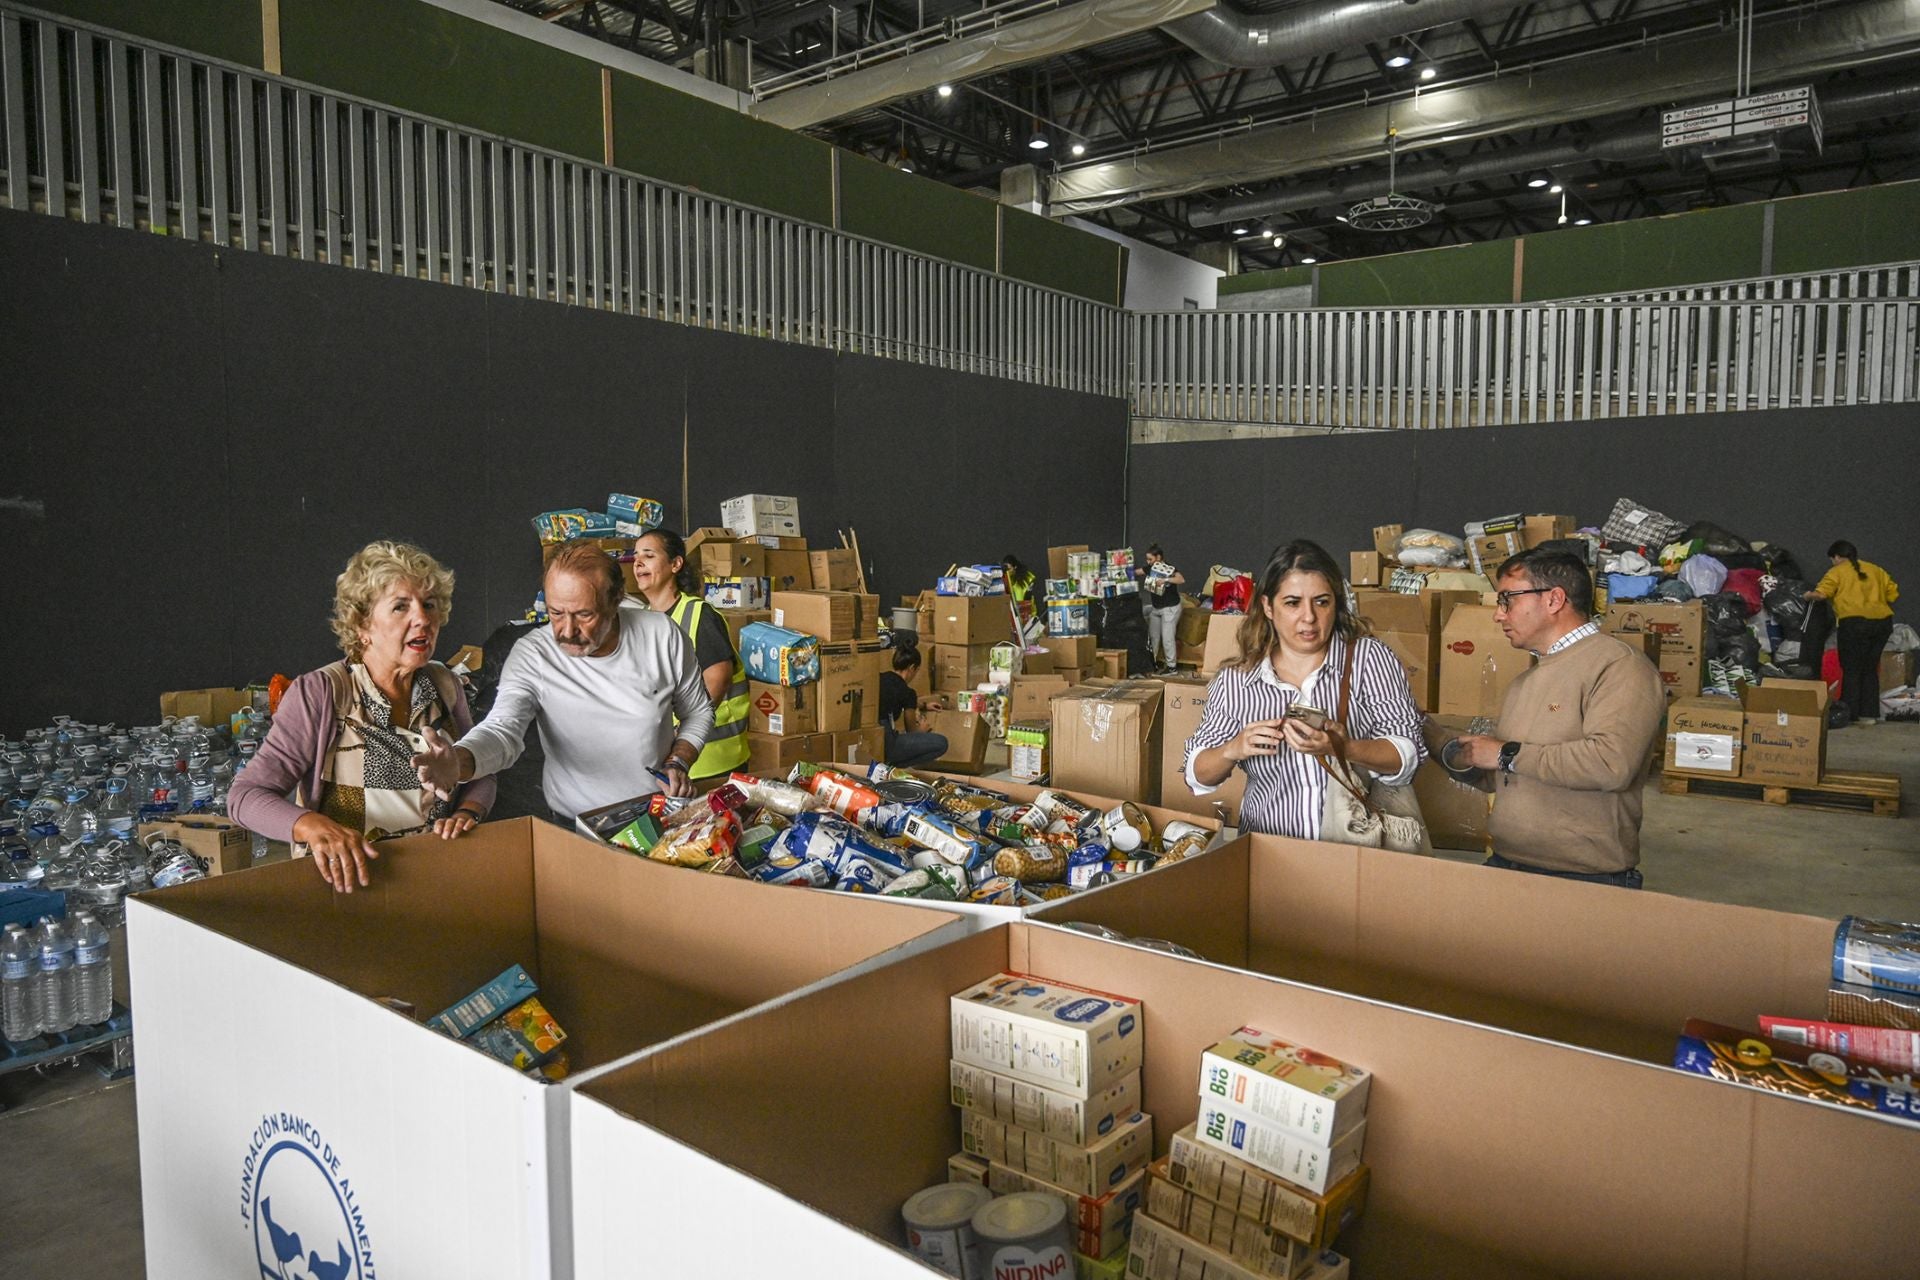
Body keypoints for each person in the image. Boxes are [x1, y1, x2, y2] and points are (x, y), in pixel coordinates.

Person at [230, 541, 494, 894]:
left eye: (429, 605)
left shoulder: (445, 685)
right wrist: (312, 826)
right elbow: (245, 797)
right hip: (352, 889)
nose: (423, 618)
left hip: (435, 881)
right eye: (401, 607)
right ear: (361, 626)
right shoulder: (322, 693)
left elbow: (480, 772)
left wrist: (468, 813)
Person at [411, 540, 714, 825]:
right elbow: (503, 730)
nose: (567, 631)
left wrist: (678, 762)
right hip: (575, 823)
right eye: (556, 613)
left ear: (617, 600)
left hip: (656, 815)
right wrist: (460, 761)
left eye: (584, 614)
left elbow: (698, 712)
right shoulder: (534, 653)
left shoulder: (661, 635)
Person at [1448, 548, 1664, 889]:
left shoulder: (1620, 667)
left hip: (1583, 879)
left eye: (1507, 600)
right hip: (1507, 864)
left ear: (1554, 599)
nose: (1498, 616)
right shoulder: (1524, 682)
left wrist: (1506, 754)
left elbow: (1611, 764)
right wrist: (1433, 738)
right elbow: (1503, 776)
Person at [1185, 541, 1425, 838]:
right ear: (1267, 607)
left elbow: (1407, 754)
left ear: (1336, 604)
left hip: (1356, 850)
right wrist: (1234, 748)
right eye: (1292, 603)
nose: (1309, 617)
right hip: (1270, 849)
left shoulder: (1369, 659)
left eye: (1321, 602)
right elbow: (1197, 774)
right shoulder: (1238, 681)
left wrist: (1341, 747)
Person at [630, 529, 751, 780]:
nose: (638, 562)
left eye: (649, 555)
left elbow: (716, 681)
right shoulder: (642, 619)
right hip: (663, 761)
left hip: (710, 761)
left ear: (675, 564)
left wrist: (683, 740)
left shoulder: (699, 615)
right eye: (635, 557)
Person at [1805, 541, 1899, 726]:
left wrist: (1807, 595)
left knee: (1852, 669)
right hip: (1882, 624)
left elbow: (1822, 594)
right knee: (1870, 668)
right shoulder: (1876, 570)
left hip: (1854, 624)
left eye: (1832, 559)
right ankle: (1869, 715)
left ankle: (1851, 714)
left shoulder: (1837, 572)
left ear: (1837, 557)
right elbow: (1892, 594)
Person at [880, 645, 949, 768]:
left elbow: (895, 698)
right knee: (941, 743)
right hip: (887, 743)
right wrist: (922, 729)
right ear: (912, 668)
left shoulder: (881, 678)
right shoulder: (908, 692)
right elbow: (911, 731)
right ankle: (892, 765)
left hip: (872, 737)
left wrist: (924, 705)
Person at [1136, 544, 1187, 675]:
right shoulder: (1150, 568)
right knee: (1153, 637)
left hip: (1170, 608)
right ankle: (1151, 664)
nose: (1148, 562)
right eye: (1147, 559)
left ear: (1158, 557)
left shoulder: (1169, 569)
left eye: (1150, 559)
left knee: (1167, 637)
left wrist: (1165, 580)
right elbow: (1138, 572)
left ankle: (1172, 667)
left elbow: (1181, 579)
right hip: (1156, 608)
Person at [1002, 554, 1038, 627]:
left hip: (1025, 612)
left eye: (1009, 569)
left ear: (1015, 567)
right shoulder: (1005, 578)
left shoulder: (1025, 580)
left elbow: (1025, 601)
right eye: (1005, 570)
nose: (1007, 572)